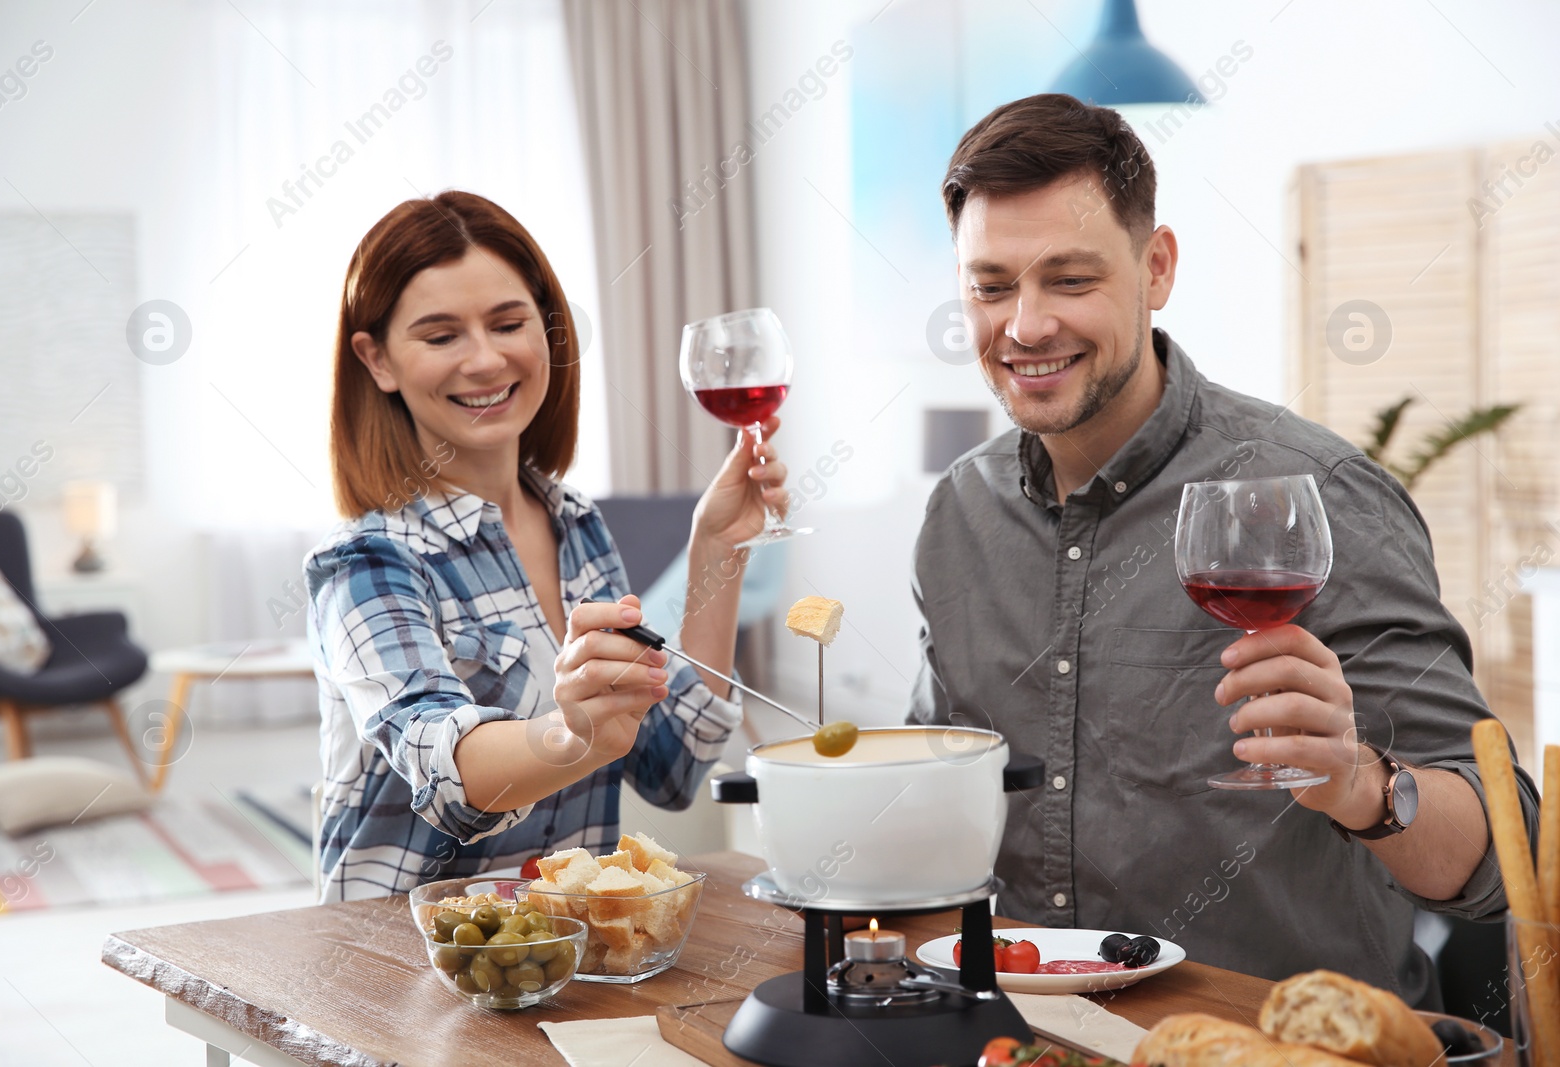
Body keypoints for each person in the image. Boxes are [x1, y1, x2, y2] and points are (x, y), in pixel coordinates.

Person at [907, 94, 1540, 1003]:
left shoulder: (1321, 495)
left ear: (1155, 267)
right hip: (1028, 1038)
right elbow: (943, 789)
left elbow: (1499, 856)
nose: (1027, 325)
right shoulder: (957, 513)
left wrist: (1361, 782)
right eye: (991, 285)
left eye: (1071, 279)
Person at [305, 190, 785, 901]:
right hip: (398, 966)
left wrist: (717, 547)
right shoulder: (366, 561)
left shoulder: (577, 526)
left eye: (508, 323)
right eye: (441, 337)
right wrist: (574, 735)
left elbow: (673, 765)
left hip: (568, 951)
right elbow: (448, 773)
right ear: (377, 361)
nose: (485, 359)